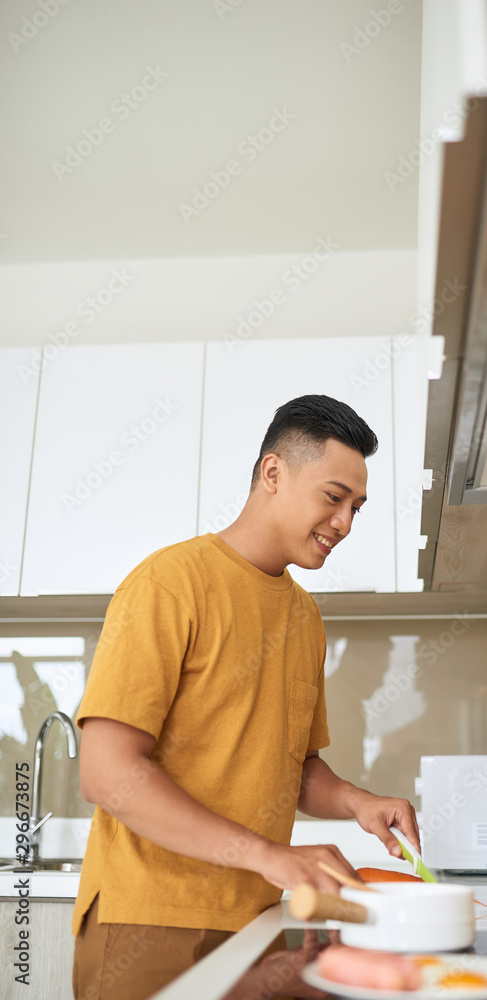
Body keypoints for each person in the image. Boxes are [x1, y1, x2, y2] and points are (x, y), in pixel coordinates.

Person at [71, 394, 421, 1000]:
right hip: (148, 920)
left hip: (259, 918)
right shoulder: (170, 583)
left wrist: (359, 802)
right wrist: (269, 855)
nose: (344, 524)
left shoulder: (305, 616)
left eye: (356, 508)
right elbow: (107, 775)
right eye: (334, 498)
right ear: (273, 473)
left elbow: (296, 771)